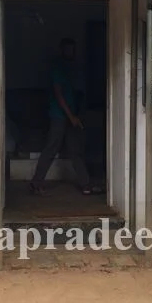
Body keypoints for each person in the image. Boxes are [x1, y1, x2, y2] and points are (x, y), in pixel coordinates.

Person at [30, 38, 102, 195]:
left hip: (70, 116)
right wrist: (71, 116)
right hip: (59, 115)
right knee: (51, 148)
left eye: (72, 49)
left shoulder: (68, 68)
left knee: (75, 149)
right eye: (68, 49)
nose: (71, 52)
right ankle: (37, 182)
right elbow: (59, 95)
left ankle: (86, 184)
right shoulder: (57, 68)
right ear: (61, 50)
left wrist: (74, 115)